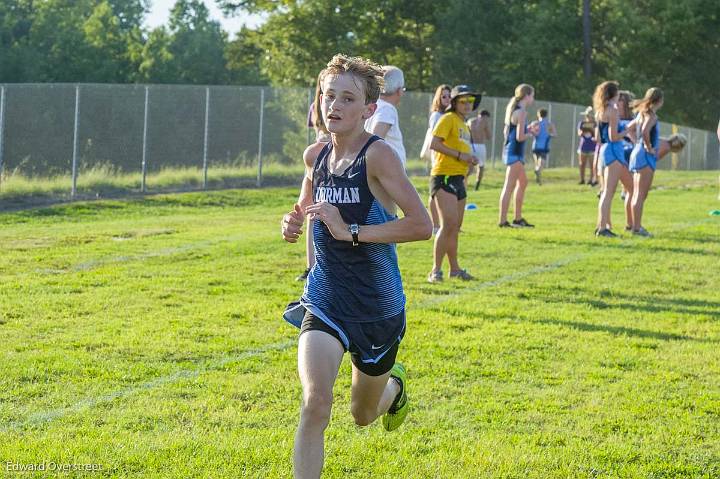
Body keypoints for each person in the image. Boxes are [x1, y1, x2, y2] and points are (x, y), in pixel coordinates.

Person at [281, 54, 432, 479]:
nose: (335, 106)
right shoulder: (315, 156)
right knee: (315, 405)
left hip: (376, 308)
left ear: (369, 109)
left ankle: (393, 388)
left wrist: (350, 230)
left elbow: (422, 226)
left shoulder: (379, 156)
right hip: (325, 298)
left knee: (363, 414)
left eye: (348, 98)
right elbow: (305, 208)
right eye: (329, 96)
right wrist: (292, 222)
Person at [427, 85, 481, 283]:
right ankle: (435, 270)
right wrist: (461, 155)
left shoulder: (463, 123)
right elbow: (434, 143)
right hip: (444, 177)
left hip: (458, 178)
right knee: (447, 224)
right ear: (455, 103)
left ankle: (455, 269)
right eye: (463, 101)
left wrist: (469, 160)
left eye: (470, 101)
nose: (467, 105)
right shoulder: (448, 118)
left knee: (454, 227)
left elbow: (460, 148)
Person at [297, 73, 332, 282]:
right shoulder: (316, 106)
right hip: (319, 156)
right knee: (311, 211)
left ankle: (320, 264)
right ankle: (312, 265)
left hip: (335, 154)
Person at [594, 80, 634, 237]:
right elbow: (614, 136)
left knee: (630, 187)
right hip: (614, 152)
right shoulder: (613, 110)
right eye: (617, 92)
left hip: (605, 151)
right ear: (613, 94)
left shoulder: (600, 111)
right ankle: (603, 228)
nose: (619, 95)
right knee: (608, 192)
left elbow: (598, 137)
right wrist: (627, 130)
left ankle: (604, 225)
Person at [498, 83, 536, 228]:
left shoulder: (516, 110)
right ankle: (502, 221)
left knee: (523, 182)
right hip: (514, 152)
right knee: (509, 186)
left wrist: (528, 128)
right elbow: (520, 137)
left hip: (514, 152)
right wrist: (530, 133)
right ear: (526, 95)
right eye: (532, 95)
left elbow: (512, 133)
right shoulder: (521, 112)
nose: (533, 98)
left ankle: (518, 218)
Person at [629, 87, 664, 237]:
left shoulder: (640, 114)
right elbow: (644, 131)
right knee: (640, 194)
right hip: (645, 155)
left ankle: (634, 226)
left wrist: (637, 143)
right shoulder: (651, 116)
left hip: (637, 153)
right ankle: (637, 228)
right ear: (660, 100)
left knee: (637, 193)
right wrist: (647, 146)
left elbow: (629, 129)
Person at [364, 65, 406, 166]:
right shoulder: (387, 109)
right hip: (388, 172)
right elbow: (376, 138)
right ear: (399, 91)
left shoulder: (373, 105)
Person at [426, 84, 452, 233]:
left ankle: (446, 224)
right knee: (435, 191)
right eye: (444, 96)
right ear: (438, 98)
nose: (447, 99)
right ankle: (435, 225)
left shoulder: (450, 115)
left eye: (449, 96)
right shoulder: (437, 115)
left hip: (449, 157)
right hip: (439, 156)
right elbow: (436, 140)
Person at [530, 108, 556, 185]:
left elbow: (532, 133)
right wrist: (549, 134)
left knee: (537, 163)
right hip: (544, 146)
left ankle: (539, 180)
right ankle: (538, 172)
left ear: (538, 115)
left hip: (535, 146)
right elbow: (554, 134)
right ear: (546, 115)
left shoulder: (535, 123)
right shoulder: (549, 124)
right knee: (541, 164)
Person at [468, 109, 491, 190]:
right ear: (485, 116)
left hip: (470, 145)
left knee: (469, 166)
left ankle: (463, 182)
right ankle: (476, 187)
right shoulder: (484, 122)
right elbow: (489, 136)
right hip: (480, 146)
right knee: (481, 167)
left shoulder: (470, 121)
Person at [577, 106, 596, 184]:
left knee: (592, 165)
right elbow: (579, 133)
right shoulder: (582, 123)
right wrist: (582, 131)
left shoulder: (595, 124)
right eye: (587, 115)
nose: (588, 116)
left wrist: (592, 130)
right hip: (583, 146)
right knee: (582, 164)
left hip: (592, 146)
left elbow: (596, 134)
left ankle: (591, 179)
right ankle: (582, 179)